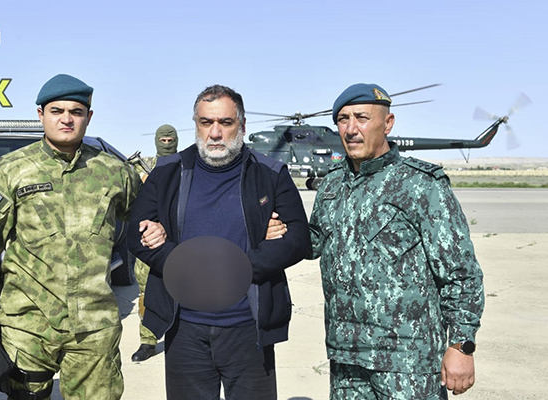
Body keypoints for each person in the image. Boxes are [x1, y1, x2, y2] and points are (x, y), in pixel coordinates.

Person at [0, 74, 142, 400]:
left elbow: (148, 222)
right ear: (41, 115)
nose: (66, 119)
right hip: (28, 327)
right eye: (57, 111)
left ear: (88, 117)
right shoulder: (13, 170)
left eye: (76, 112)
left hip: (93, 331)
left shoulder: (115, 172)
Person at [126, 84, 311, 400]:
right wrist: (179, 260)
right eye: (205, 122)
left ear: (241, 125)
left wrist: (238, 267)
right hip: (184, 329)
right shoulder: (169, 172)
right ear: (195, 124)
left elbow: (298, 238)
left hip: (248, 328)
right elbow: (135, 233)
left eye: (225, 123)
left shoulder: (270, 173)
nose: (214, 133)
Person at [307, 83, 485, 399]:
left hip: (407, 363)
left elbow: (461, 275)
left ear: (387, 123)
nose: (351, 129)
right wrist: (271, 224)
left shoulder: (421, 185)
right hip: (346, 358)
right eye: (343, 120)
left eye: (361, 117)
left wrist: (461, 345)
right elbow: (313, 242)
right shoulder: (332, 185)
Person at [128, 123, 179, 362]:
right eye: (163, 140)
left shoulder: (187, 163)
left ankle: (179, 337)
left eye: (170, 140)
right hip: (149, 237)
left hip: (178, 235)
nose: (166, 144)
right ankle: (147, 342)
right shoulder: (142, 164)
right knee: (146, 291)